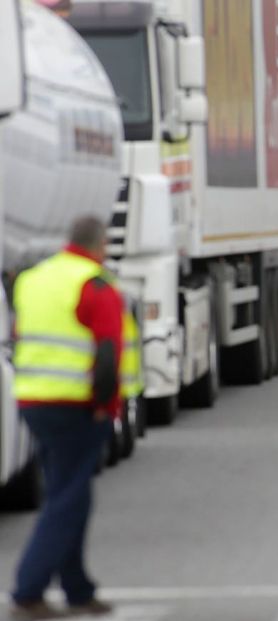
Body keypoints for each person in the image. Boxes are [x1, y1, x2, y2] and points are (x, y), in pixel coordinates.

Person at [10, 216, 124, 620]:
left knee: (71, 492)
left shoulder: (34, 279)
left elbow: (21, 335)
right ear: (99, 245)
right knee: (68, 498)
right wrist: (106, 406)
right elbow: (108, 353)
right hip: (76, 404)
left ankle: (78, 590)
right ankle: (28, 588)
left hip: (32, 400)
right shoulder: (96, 284)